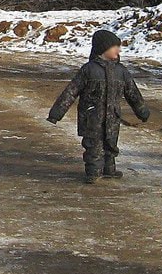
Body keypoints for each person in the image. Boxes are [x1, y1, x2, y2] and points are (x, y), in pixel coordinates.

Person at [48, 30, 150, 183]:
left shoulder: (121, 71)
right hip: (92, 117)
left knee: (111, 144)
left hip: (113, 117)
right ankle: (93, 172)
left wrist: (142, 111)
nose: (119, 50)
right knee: (94, 146)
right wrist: (56, 113)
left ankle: (109, 169)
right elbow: (70, 92)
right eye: (115, 47)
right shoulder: (89, 70)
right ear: (104, 48)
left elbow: (133, 93)